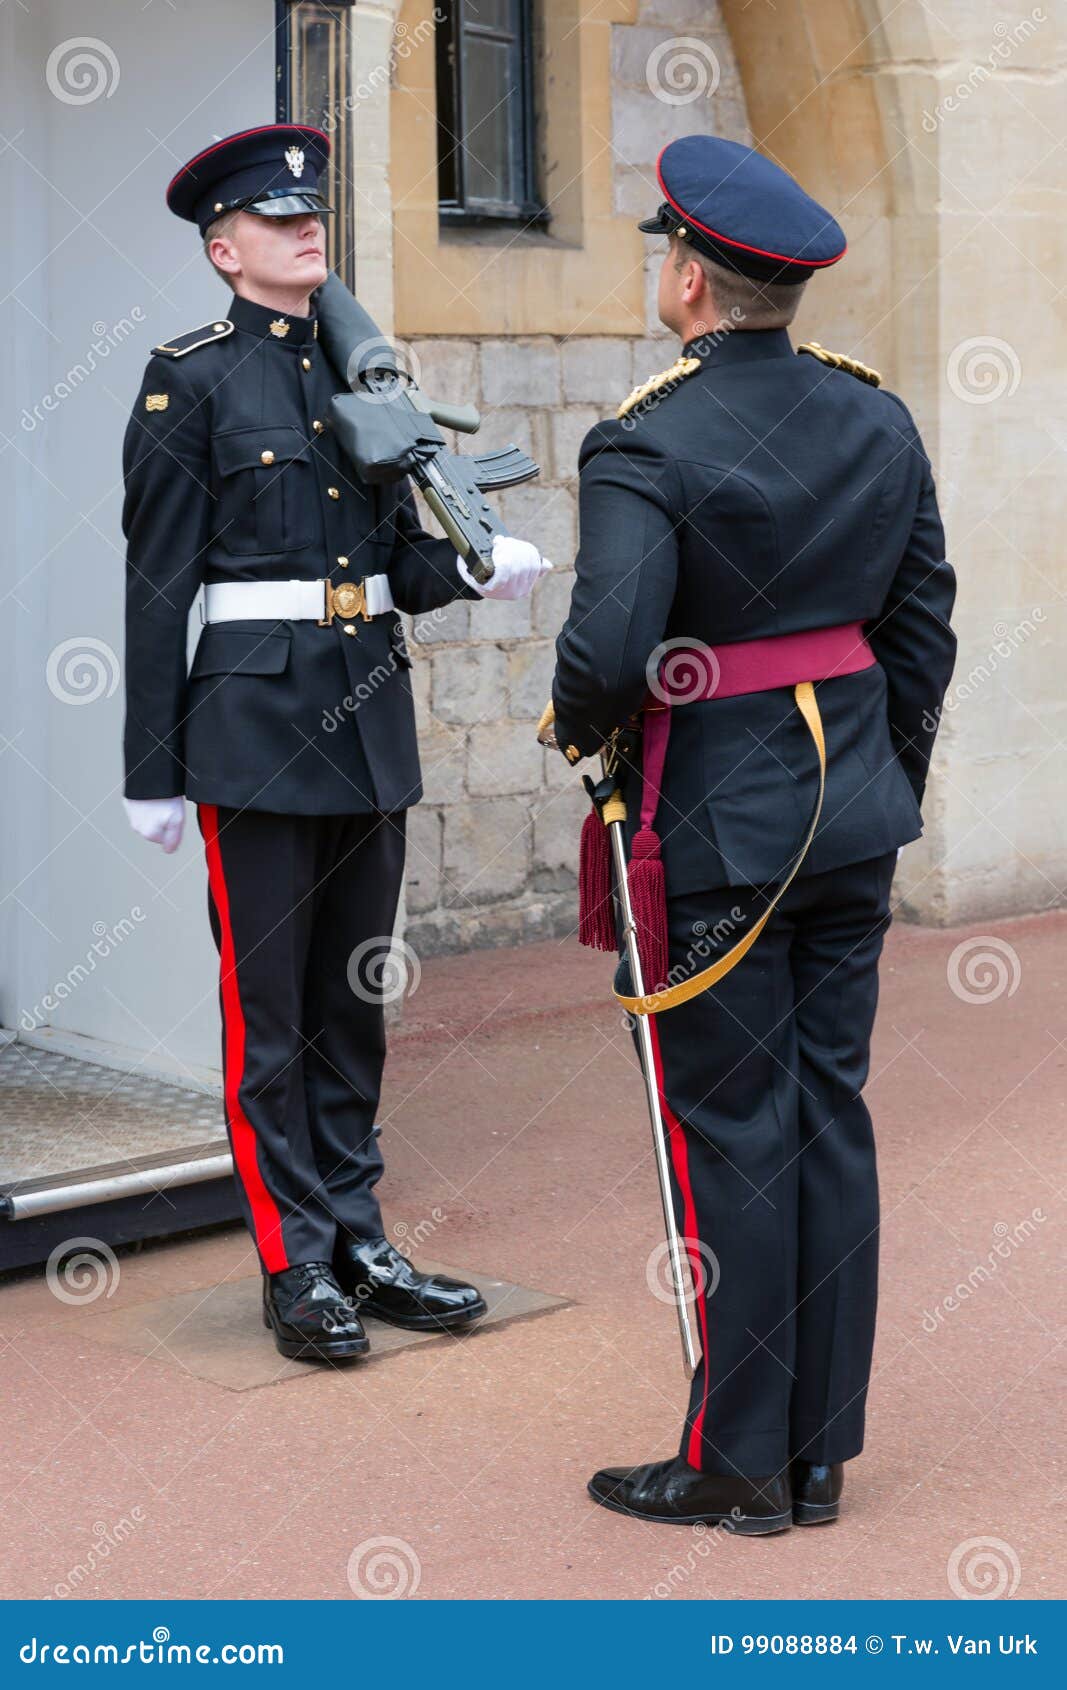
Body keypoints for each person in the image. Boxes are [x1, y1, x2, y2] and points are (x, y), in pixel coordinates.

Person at [544, 135, 956, 1531]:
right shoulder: (874, 418)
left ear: (685, 278)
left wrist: (584, 746)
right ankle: (817, 1452)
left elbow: (605, 654)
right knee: (825, 1116)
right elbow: (919, 629)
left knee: (731, 1132)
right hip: (850, 823)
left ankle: (736, 1462)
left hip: (715, 825)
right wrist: (869, 787)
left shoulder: (646, 436)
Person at [121, 124, 549, 1362]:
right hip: (248, 730)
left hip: (364, 717)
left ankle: (359, 1234)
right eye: (272, 217)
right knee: (267, 1017)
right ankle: (292, 1260)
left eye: (311, 212)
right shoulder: (187, 377)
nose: (305, 225)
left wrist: (471, 569)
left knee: (351, 1003)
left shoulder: (366, 373)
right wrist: (151, 766)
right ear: (222, 248)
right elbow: (159, 588)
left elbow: (383, 562)